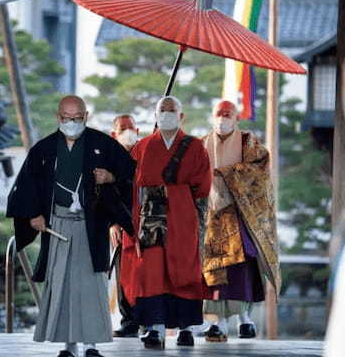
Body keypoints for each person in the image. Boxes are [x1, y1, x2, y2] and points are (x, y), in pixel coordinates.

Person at [7, 95, 135, 357]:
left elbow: (133, 172)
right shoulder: (43, 150)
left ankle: (91, 345)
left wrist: (111, 177)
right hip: (58, 224)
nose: (72, 123)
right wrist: (33, 215)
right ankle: (69, 345)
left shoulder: (103, 144)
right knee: (62, 283)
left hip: (92, 225)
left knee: (91, 285)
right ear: (58, 117)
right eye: (66, 118)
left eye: (77, 118)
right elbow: (25, 186)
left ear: (85, 117)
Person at [120, 95, 212, 350]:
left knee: (184, 270)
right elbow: (130, 184)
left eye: (172, 110)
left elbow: (203, 186)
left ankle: (186, 329)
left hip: (182, 216)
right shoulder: (143, 146)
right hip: (149, 218)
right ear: (155, 115)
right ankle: (155, 330)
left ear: (181, 116)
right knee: (152, 271)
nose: (167, 113)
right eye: (163, 109)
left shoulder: (194, 146)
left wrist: (180, 198)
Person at [201, 100, 280, 342]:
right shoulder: (202, 143)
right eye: (219, 113)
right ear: (212, 116)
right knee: (214, 271)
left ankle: (245, 319)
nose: (222, 118)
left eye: (228, 114)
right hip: (211, 216)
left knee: (242, 270)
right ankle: (219, 323)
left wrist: (227, 173)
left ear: (237, 119)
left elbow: (260, 169)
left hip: (240, 214)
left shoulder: (248, 141)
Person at [109, 114, 139, 337]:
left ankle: (150, 320)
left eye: (131, 127)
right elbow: (104, 194)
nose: (128, 131)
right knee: (123, 275)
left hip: (146, 223)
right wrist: (112, 224)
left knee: (148, 274)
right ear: (114, 134)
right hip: (120, 225)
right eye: (123, 128)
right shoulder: (107, 159)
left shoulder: (147, 153)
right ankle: (129, 321)